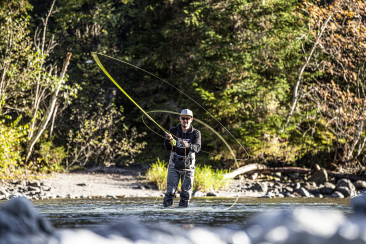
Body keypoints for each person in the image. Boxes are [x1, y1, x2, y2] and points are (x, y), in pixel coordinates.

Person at [163, 109, 201, 207]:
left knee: (186, 195)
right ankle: (167, 215)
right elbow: (167, 148)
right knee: (170, 193)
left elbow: (197, 148)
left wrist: (188, 145)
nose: (185, 120)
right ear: (180, 119)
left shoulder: (196, 133)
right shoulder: (173, 131)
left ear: (191, 120)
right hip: (174, 166)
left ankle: (183, 216)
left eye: (187, 118)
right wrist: (168, 140)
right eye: (183, 118)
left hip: (188, 168)